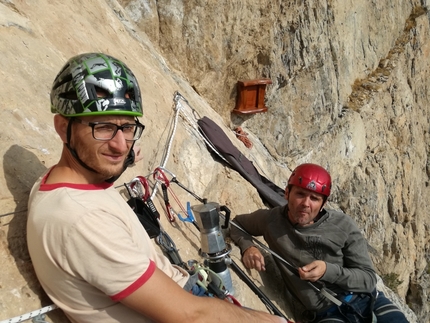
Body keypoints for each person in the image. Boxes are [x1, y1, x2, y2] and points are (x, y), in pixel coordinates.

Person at [26, 53, 287, 323]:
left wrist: (123, 156)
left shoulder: (64, 180)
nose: (119, 144)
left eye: (127, 127)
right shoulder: (81, 220)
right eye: (102, 127)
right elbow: (191, 315)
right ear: (62, 126)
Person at [230, 163, 409, 323]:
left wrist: (327, 271)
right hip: (328, 313)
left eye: (314, 198)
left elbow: (368, 279)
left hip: (369, 301)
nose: (306, 204)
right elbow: (235, 223)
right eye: (300, 194)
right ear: (287, 193)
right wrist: (249, 247)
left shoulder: (342, 225)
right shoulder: (271, 220)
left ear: (323, 204)